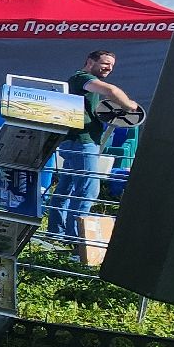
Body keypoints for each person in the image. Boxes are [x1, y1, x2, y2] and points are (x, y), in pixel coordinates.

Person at [46, 50, 140, 244]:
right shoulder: (82, 78)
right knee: (88, 191)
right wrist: (129, 105)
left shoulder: (84, 86)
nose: (108, 68)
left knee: (67, 188)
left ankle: (56, 235)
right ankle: (76, 242)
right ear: (90, 62)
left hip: (74, 141)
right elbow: (112, 91)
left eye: (112, 66)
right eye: (105, 63)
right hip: (82, 142)